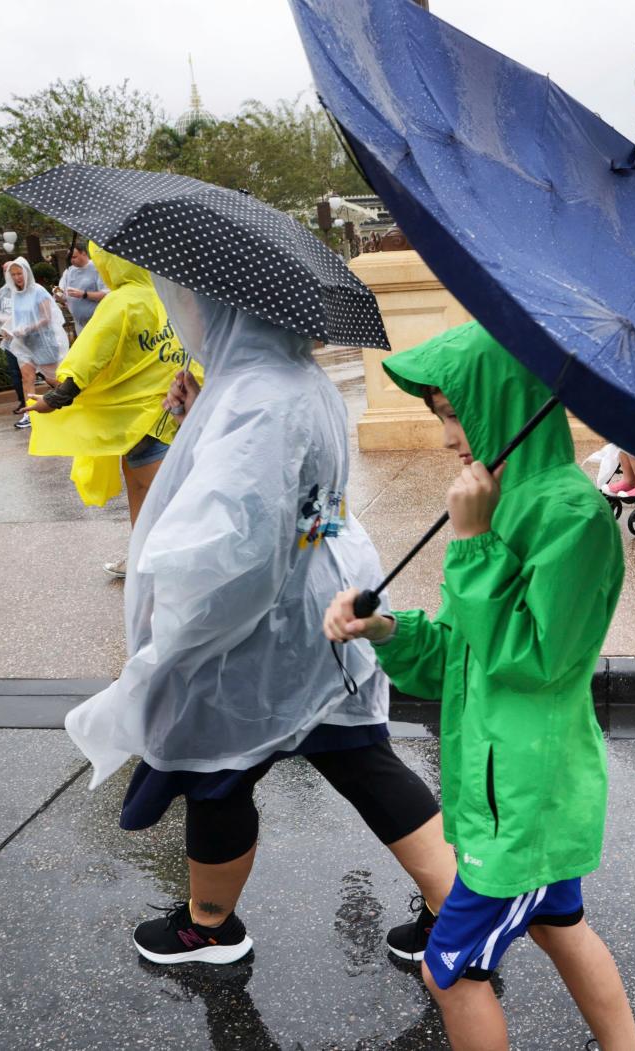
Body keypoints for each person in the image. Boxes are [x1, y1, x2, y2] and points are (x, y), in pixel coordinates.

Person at [63, 278, 456, 967]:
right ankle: (456, 912)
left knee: (217, 762)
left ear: (229, 305)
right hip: (319, 598)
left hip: (264, 624)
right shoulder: (295, 380)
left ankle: (209, 926)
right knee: (361, 758)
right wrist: (202, 415)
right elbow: (305, 501)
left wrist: (179, 627)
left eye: (193, 297)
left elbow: (238, 542)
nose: (187, 309)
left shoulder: (256, 397)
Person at [324, 322, 635, 1051]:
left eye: (454, 413)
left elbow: (529, 659)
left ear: (504, 403)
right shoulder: (503, 499)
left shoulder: (571, 516)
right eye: (441, 414)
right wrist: (386, 630)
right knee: (561, 927)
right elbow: (457, 657)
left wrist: (472, 543)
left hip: (523, 801)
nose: (447, 437)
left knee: (449, 970)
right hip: (507, 791)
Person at [22, 243, 189, 576]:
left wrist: (54, 399)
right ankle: (141, 558)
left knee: (160, 497)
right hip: (171, 412)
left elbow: (90, 356)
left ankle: (173, 566)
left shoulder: (121, 302)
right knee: (143, 491)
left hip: (134, 420)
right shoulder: (166, 297)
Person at [1, 256, 67, 409]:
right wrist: (8, 327)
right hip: (25, 343)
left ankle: (72, 401)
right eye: (13, 274)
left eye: (19, 273)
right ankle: (30, 413)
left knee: (53, 379)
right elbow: (18, 317)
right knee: (26, 377)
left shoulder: (38, 291)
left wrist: (28, 328)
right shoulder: (16, 294)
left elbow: (47, 317)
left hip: (44, 342)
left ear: (26, 272)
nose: (17, 277)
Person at [0, 262, 30, 428]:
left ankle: (61, 396)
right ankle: (25, 403)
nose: (12, 275)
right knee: (17, 374)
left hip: (27, 340)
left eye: (15, 272)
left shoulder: (27, 290)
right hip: (9, 341)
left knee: (38, 373)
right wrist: (6, 326)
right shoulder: (2, 293)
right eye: (8, 271)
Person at [54, 242, 108, 335]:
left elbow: (106, 294)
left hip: (98, 321)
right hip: (79, 324)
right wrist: (57, 294)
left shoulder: (97, 268)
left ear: (84, 253)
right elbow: (61, 292)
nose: (71, 260)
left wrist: (84, 294)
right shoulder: (68, 271)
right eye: (69, 258)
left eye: (74, 257)